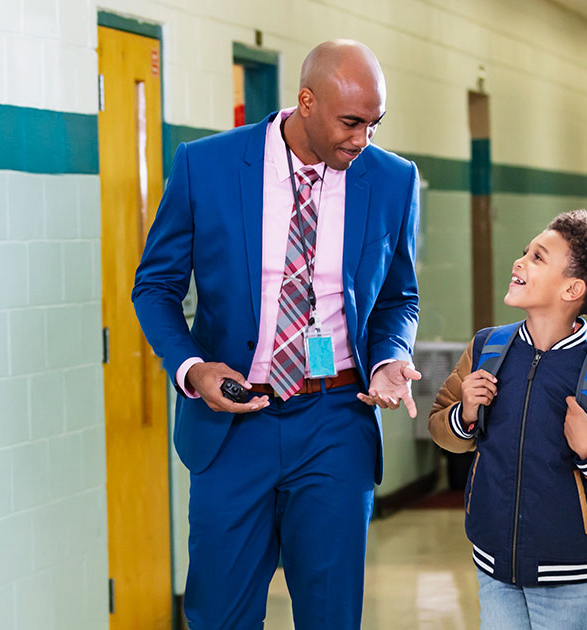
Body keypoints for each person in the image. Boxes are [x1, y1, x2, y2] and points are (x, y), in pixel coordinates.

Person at [132, 39, 421, 629]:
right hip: (234, 420)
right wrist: (192, 368)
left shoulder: (392, 180)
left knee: (331, 614)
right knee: (221, 614)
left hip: (335, 416)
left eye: (374, 124)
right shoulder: (205, 166)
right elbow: (155, 287)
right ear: (305, 101)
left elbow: (399, 296)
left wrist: (391, 355)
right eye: (350, 122)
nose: (362, 140)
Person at [428, 209, 587, 629]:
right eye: (525, 253)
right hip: (494, 558)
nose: (519, 262)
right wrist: (463, 413)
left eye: (538, 258)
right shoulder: (487, 347)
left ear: (573, 288)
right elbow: (442, 431)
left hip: (570, 571)